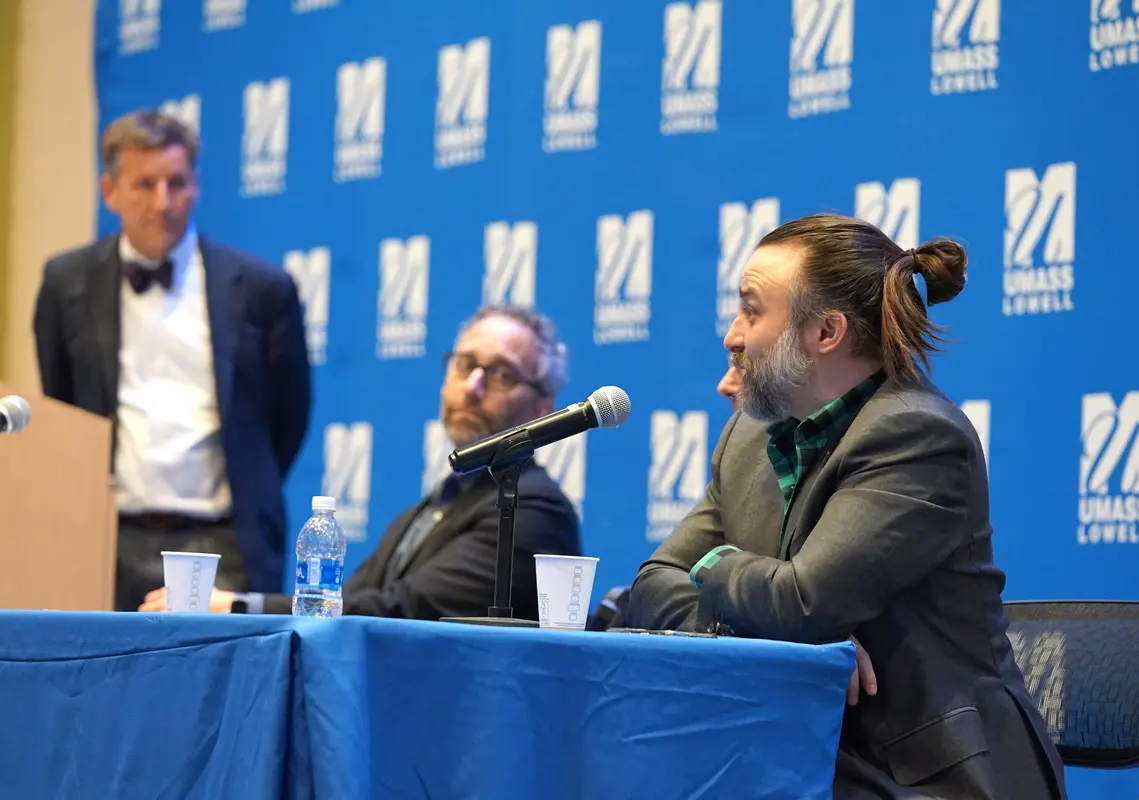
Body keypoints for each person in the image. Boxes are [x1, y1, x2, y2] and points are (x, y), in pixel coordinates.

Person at [626, 214, 1066, 799]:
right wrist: (751, 626)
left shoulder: (917, 435)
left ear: (826, 333)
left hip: (918, 774)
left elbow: (803, 603)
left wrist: (714, 568)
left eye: (752, 311)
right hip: (798, 750)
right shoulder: (748, 439)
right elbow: (653, 585)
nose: (731, 335)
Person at [32, 110, 311, 611]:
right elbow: (64, 404)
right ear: (109, 191)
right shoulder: (65, 282)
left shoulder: (262, 288)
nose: (163, 204)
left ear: (196, 185)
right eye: (144, 185)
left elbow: (287, 419)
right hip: (107, 538)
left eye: (177, 183)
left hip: (226, 540)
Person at [140, 306, 583, 620]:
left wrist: (238, 607)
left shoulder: (532, 511)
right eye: (464, 365)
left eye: (502, 374)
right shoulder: (439, 501)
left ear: (544, 408)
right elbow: (345, 600)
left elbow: (403, 610)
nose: (473, 387)